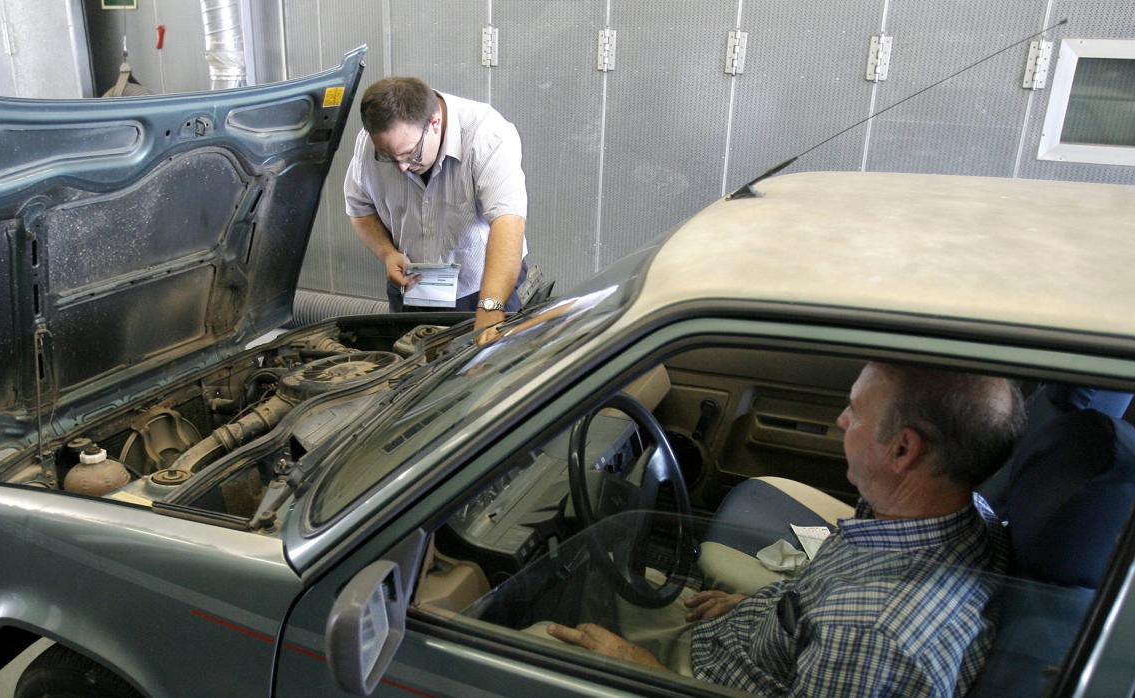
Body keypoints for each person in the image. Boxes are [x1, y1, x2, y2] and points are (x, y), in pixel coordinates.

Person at [547, 362, 1025, 697]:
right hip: (744, 643)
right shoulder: (960, 516)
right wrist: (773, 610)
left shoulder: (871, 634)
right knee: (600, 584)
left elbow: (853, 631)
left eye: (855, 412)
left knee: (537, 640)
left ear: (904, 450)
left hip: (696, 679)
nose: (841, 420)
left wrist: (641, 670)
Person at [344, 77, 528, 332]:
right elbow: (360, 209)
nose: (402, 167)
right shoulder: (370, 144)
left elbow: (509, 222)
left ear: (434, 122)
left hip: (482, 289)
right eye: (389, 157)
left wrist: (491, 306)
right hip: (411, 287)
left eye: (410, 153)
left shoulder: (487, 134)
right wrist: (387, 253)